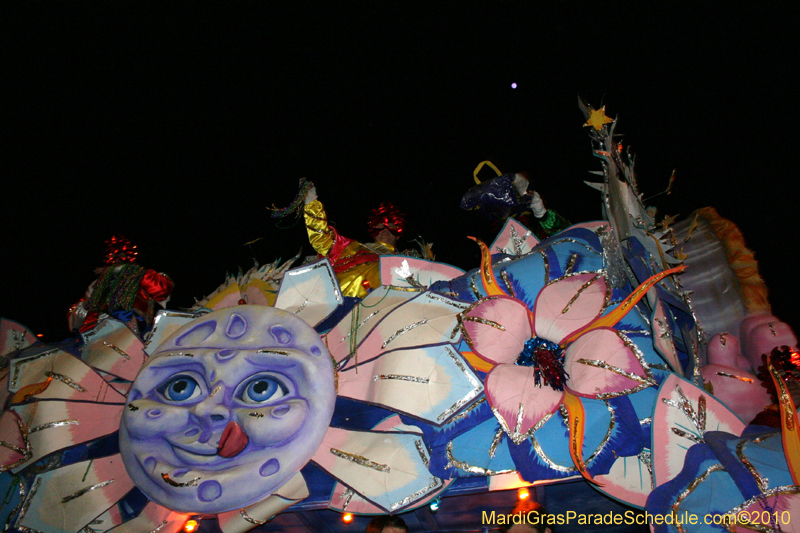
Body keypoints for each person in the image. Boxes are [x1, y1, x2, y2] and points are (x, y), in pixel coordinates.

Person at [303, 181, 411, 299]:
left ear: (398, 234)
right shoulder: (353, 247)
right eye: (380, 226)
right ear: (373, 233)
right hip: (343, 305)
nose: (385, 230)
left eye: (391, 227)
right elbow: (323, 239)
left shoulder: (405, 264)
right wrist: (312, 204)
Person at [69, 235, 174, 337]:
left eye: (122, 255)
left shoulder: (143, 276)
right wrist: (87, 304)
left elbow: (163, 289)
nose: (117, 260)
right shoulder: (95, 286)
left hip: (131, 335)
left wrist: (123, 270)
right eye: (112, 256)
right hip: (94, 339)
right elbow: (74, 322)